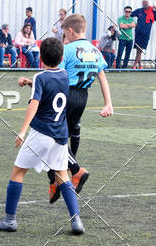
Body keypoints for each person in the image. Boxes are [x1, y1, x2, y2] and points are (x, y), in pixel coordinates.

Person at [0, 37, 84, 235]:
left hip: (42, 133)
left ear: (40, 57)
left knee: (18, 172)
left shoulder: (40, 77)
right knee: (62, 175)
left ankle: (9, 220)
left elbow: (34, 103)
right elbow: (52, 84)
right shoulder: (65, 75)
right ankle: (76, 221)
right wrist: (29, 82)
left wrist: (22, 131)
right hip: (60, 136)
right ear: (61, 58)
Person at [18, 14, 113, 203]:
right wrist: (108, 103)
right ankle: (55, 179)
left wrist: (32, 83)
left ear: (69, 31)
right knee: (63, 136)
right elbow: (102, 76)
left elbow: (52, 77)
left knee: (52, 137)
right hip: (82, 97)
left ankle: (76, 171)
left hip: (65, 95)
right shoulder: (95, 50)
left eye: (64, 32)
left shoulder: (67, 50)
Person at [131, 0, 156, 69]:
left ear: (148, 3)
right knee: (138, 50)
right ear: (142, 4)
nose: (145, 3)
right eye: (143, 2)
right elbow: (130, 15)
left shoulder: (152, 10)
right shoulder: (139, 10)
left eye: (146, 2)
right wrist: (133, 23)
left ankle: (134, 65)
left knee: (140, 50)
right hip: (138, 32)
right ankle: (140, 65)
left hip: (146, 33)